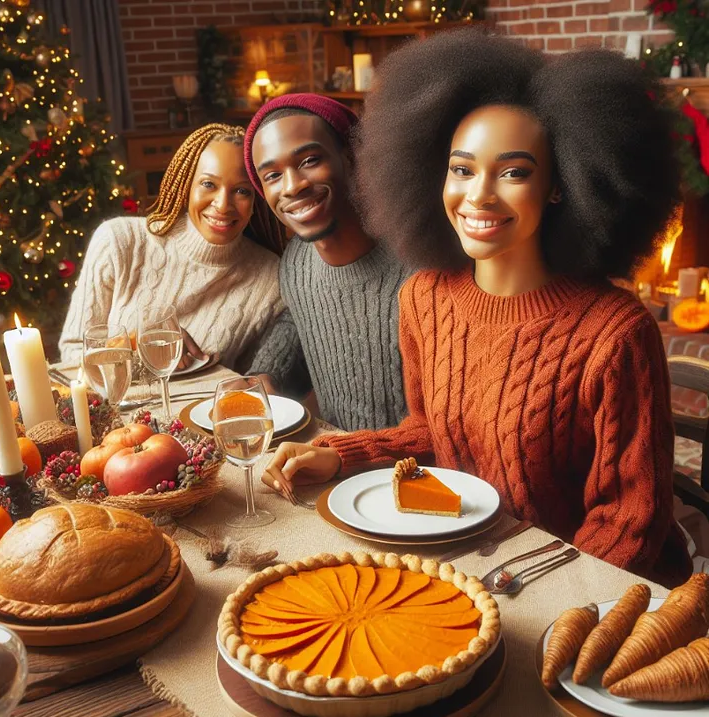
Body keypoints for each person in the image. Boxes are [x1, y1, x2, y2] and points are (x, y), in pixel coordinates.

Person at [262, 32, 693, 587]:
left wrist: (531, 589)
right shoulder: (426, 297)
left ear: (561, 184)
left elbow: (630, 519)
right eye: (461, 169)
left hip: (592, 595)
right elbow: (435, 432)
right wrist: (342, 455)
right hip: (479, 566)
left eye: (513, 172)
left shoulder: (615, 334)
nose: (479, 195)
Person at [59, 124, 290, 378]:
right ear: (187, 186)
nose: (223, 205)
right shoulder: (119, 242)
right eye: (208, 184)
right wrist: (140, 348)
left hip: (201, 415)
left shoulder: (270, 279)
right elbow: (72, 355)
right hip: (117, 414)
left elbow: (248, 383)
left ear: (257, 198)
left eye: (241, 191)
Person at [243, 94, 410, 431]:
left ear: (351, 158)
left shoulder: (417, 264)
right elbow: (303, 315)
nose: (293, 186)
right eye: (272, 176)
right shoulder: (297, 262)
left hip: (426, 474)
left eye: (309, 160)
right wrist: (267, 371)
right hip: (335, 468)